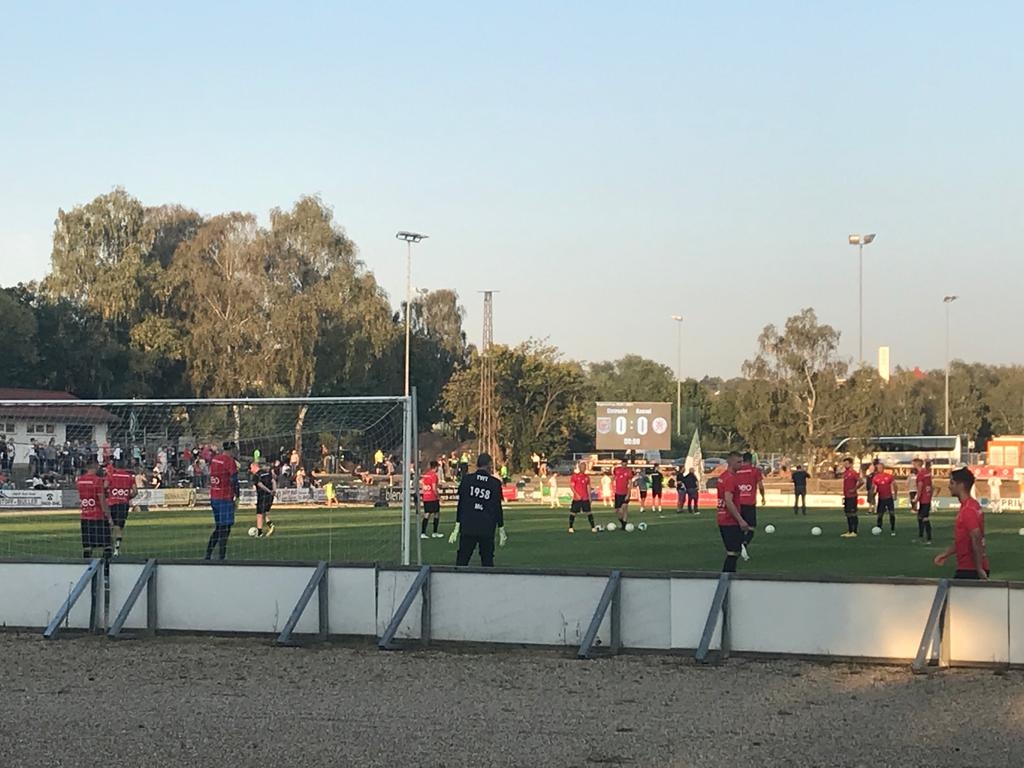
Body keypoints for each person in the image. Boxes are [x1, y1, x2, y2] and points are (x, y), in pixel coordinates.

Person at [449, 453, 506, 567]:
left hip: (468, 525)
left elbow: (461, 504)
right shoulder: (495, 483)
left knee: (462, 559)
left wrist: (457, 525)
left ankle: (457, 578)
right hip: (487, 526)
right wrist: (501, 527)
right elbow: (497, 508)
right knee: (487, 560)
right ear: (489, 464)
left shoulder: (467, 480)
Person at [934, 467, 989, 580]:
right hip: (969, 567)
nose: (949, 486)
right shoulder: (972, 505)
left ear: (961, 485)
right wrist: (946, 554)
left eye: (952, 483)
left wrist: (979, 568)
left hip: (970, 569)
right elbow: (964, 539)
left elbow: (976, 537)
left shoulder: (968, 510)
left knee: (949, 590)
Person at [205, 442, 239, 560]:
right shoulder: (229, 461)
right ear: (232, 449)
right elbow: (234, 479)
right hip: (225, 498)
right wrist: (237, 495)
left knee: (219, 527)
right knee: (225, 528)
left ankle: (208, 554)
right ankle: (221, 556)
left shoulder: (215, 459)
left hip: (214, 496)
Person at [716, 452, 749, 572]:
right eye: (738, 462)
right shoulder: (730, 479)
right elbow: (728, 501)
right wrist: (740, 520)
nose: (741, 464)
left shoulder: (723, 476)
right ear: (730, 462)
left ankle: (729, 577)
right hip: (729, 520)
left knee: (734, 551)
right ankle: (726, 579)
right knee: (733, 553)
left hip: (723, 517)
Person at [77, 459, 113, 560]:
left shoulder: (80, 480)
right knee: (107, 544)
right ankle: (107, 565)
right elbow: (102, 500)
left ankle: (86, 565)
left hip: (85, 516)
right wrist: (109, 516)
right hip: (98, 516)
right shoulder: (97, 480)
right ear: (95, 466)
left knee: (87, 546)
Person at [733, 451, 766, 560]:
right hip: (749, 503)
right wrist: (763, 497)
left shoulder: (737, 471)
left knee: (739, 526)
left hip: (737, 503)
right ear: (751, 460)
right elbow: (761, 486)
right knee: (751, 528)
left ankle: (737, 545)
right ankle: (744, 543)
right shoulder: (755, 471)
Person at [105, 461, 137, 556]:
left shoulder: (111, 476)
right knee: (119, 527)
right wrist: (127, 497)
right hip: (123, 504)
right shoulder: (130, 477)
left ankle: (108, 548)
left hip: (112, 503)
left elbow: (105, 486)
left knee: (110, 526)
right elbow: (135, 492)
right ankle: (116, 549)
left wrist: (108, 495)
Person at [568, 463, 597, 533]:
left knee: (589, 512)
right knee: (573, 513)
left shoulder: (587, 477)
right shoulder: (575, 476)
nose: (583, 468)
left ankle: (593, 527)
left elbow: (588, 487)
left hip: (585, 498)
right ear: (579, 467)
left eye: (584, 467)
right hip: (577, 498)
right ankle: (570, 527)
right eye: (582, 467)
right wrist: (576, 494)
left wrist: (590, 497)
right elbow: (572, 486)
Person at [840, 457, 863, 538]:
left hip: (852, 497)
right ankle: (850, 531)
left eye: (847, 463)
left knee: (853, 513)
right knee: (848, 514)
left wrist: (854, 489)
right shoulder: (845, 473)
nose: (845, 465)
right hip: (847, 496)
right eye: (844, 463)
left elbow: (861, 481)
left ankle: (854, 531)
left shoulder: (853, 473)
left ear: (850, 464)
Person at [873, 459, 897, 536]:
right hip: (881, 498)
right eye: (878, 468)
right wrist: (873, 495)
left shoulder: (889, 476)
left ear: (883, 468)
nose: (879, 469)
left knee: (891, 513)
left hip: (889, 498)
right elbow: (874, 488)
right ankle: (879, 528)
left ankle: (893, 529)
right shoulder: (875, 477)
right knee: (880, 514)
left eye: (880, 467)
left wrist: (895, 494)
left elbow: (894, 485)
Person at [253, 460, 276, 538]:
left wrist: (269, 491)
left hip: (262, 496)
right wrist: (274, 490)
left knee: (259, 513)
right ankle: (270, 525)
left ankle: (259, 532)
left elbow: (260, 484)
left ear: (255, 467)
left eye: (251, 468)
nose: (251, 470)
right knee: (264, 512)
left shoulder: (256, 475)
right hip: (270, 496)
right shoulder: (267, 473)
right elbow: (273, 481)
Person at [913, 458, 934, 544]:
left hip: (923, 499)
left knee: (924, 518)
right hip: (927, 498)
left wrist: (916, 500)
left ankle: (929, 538)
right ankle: (921, 536)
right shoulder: (927, 472)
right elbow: (931, 485)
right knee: (920, 517)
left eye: (913, 464)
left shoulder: (920, 475)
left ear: (916, 464)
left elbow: (920, 488)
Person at [420, 460, 443, 539]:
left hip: (426, 496)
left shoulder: (426, 475)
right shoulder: (434, 476)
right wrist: (439, 497)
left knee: (427, 514)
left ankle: (423, 533)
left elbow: (423, 485)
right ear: (436, 467)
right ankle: (434, 532)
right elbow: (434, 488)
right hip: (432, 497)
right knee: (436, 514)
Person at [612, 458, 633, 531]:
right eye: (623, 464)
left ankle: (624, 525)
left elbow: (630, 484)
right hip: (618, 493)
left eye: (625, 464)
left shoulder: (629, 471)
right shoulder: (617, 470)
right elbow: (613, 478)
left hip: (625, 493)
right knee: (617, 511)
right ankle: (622, 523)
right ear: (621, 464)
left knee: (624, 509)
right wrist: (613, 487)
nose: (624, 465)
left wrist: (628, 494)